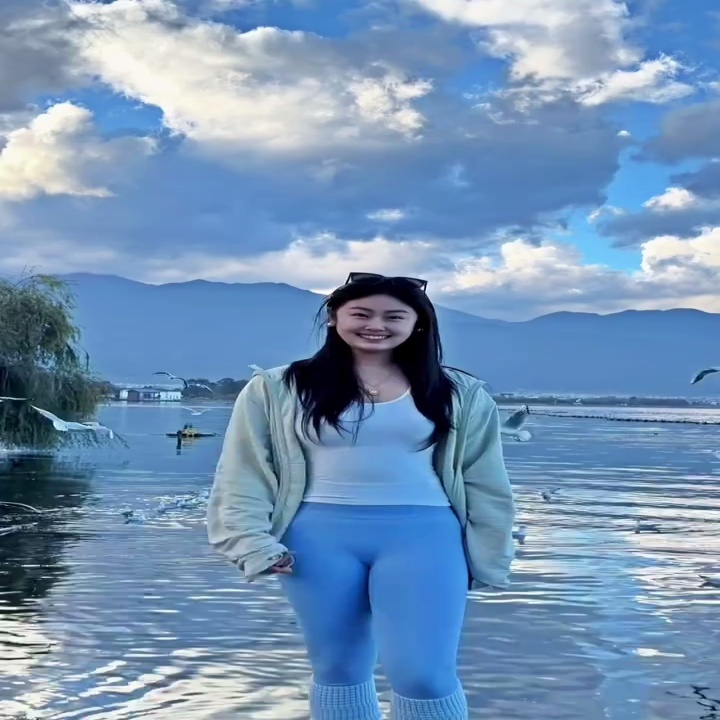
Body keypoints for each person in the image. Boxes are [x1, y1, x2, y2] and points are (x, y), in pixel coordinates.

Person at [207, 272, 516, 720]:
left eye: (394, 316)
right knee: (338, 669)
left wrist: (491, 549)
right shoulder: (278, 387)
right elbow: (244, 470)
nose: (376, 325)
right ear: (334, 318)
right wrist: (251, 542)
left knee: (424, 675)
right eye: (361, 313)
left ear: (418, 324)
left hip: (425, 536)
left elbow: (485, 480)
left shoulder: (458, 392)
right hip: (315, 539)